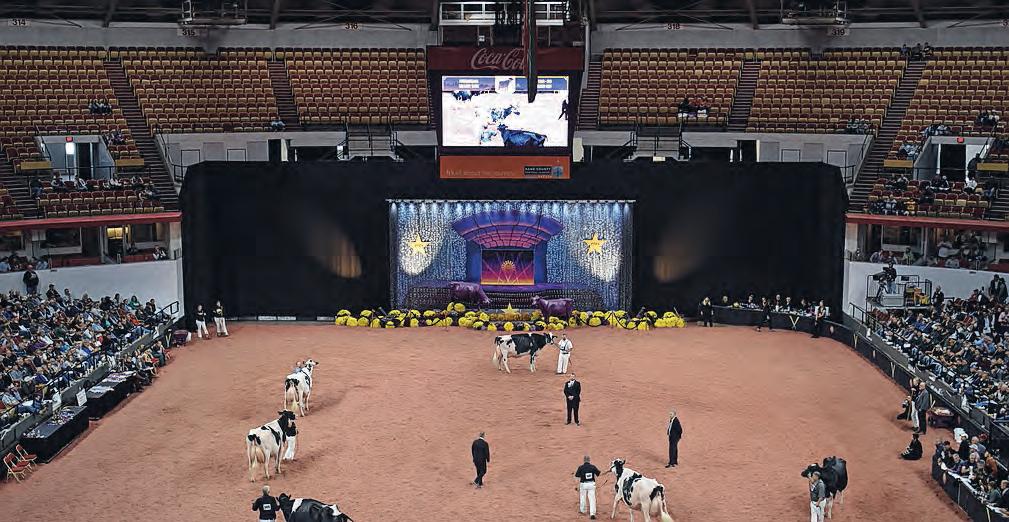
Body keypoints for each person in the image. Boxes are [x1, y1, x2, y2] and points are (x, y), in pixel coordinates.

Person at [574, 455, 601, 519]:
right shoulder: (593, 467)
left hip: (583, 485)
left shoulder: (580, 467)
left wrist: (576, 486)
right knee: (592, 499)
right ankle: (592, 513)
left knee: (583, 497)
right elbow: (598, 473)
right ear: (589, 460)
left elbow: (577, 477)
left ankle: (583, 510)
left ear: (584, 460)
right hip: (591, 484)